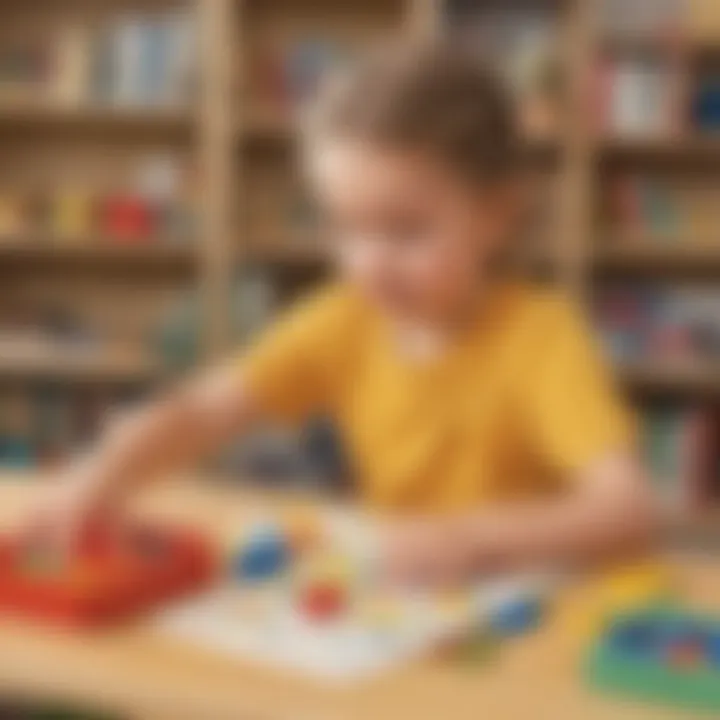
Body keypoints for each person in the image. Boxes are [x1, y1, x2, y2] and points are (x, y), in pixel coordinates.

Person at [38, 42, 656, 586]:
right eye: (347, 228)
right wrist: (99, 480)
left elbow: (623, 509)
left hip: (536, 605)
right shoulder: (345, 320)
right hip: (415, 596)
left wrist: (469, 538)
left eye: (406, 231)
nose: (371, 265)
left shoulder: (542, 336)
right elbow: (202, 411)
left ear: (495, 215)